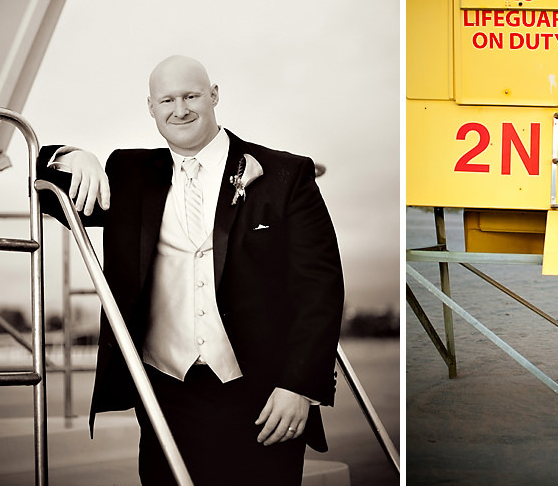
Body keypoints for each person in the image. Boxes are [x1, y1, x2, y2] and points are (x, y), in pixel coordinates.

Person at [36, 55, 345, 485]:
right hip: (165, 390)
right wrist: (72, 155)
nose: (179, 109)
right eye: (166, 99)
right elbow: (46, 188)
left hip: (264, 394)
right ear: (151, 107)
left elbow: (320, 287)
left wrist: (300, 387)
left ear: (213, 95)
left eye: (190, 95)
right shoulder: (128, 174)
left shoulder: (285, 173)